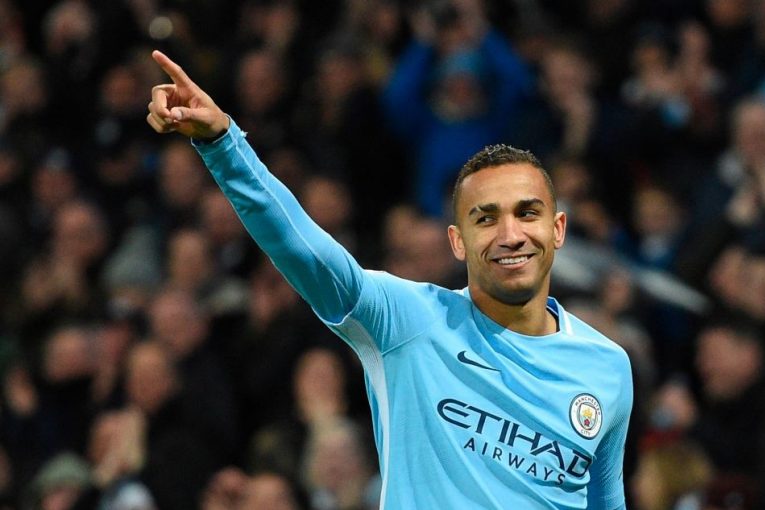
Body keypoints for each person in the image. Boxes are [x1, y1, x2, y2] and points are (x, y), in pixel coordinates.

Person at [145, 50, 632, 509]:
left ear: (558, 229)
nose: (510, 235)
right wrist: (223, 143)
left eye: (527, 213)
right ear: (457, 241)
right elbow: (305, 250)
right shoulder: (410, 320)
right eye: (486, 219)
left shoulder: (608, 367)